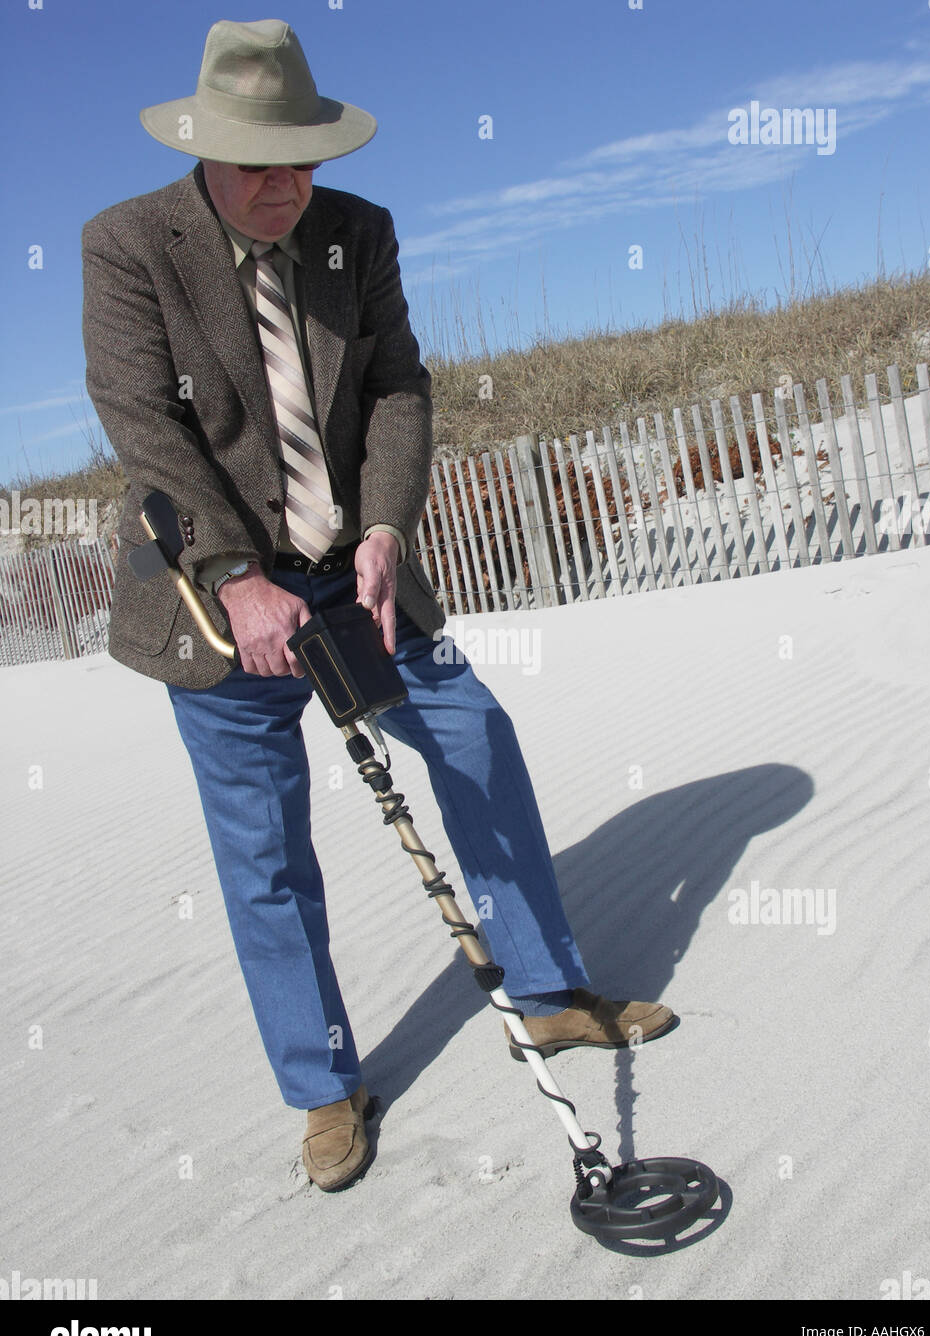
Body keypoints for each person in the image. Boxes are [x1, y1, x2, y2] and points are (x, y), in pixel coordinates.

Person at [81, 18, 674, 1194]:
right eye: (260, 164)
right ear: (206, 151)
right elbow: (144, 426)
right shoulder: (127, 246)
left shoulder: (360, 234)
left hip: (355, 569)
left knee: (473, 737)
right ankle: (325, 1087)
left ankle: (547, 993)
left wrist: (390, 526)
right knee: (265, 850)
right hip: (218, 603)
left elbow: (399, 386)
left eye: (301, 160)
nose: (285, 186)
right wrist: (237, 579)